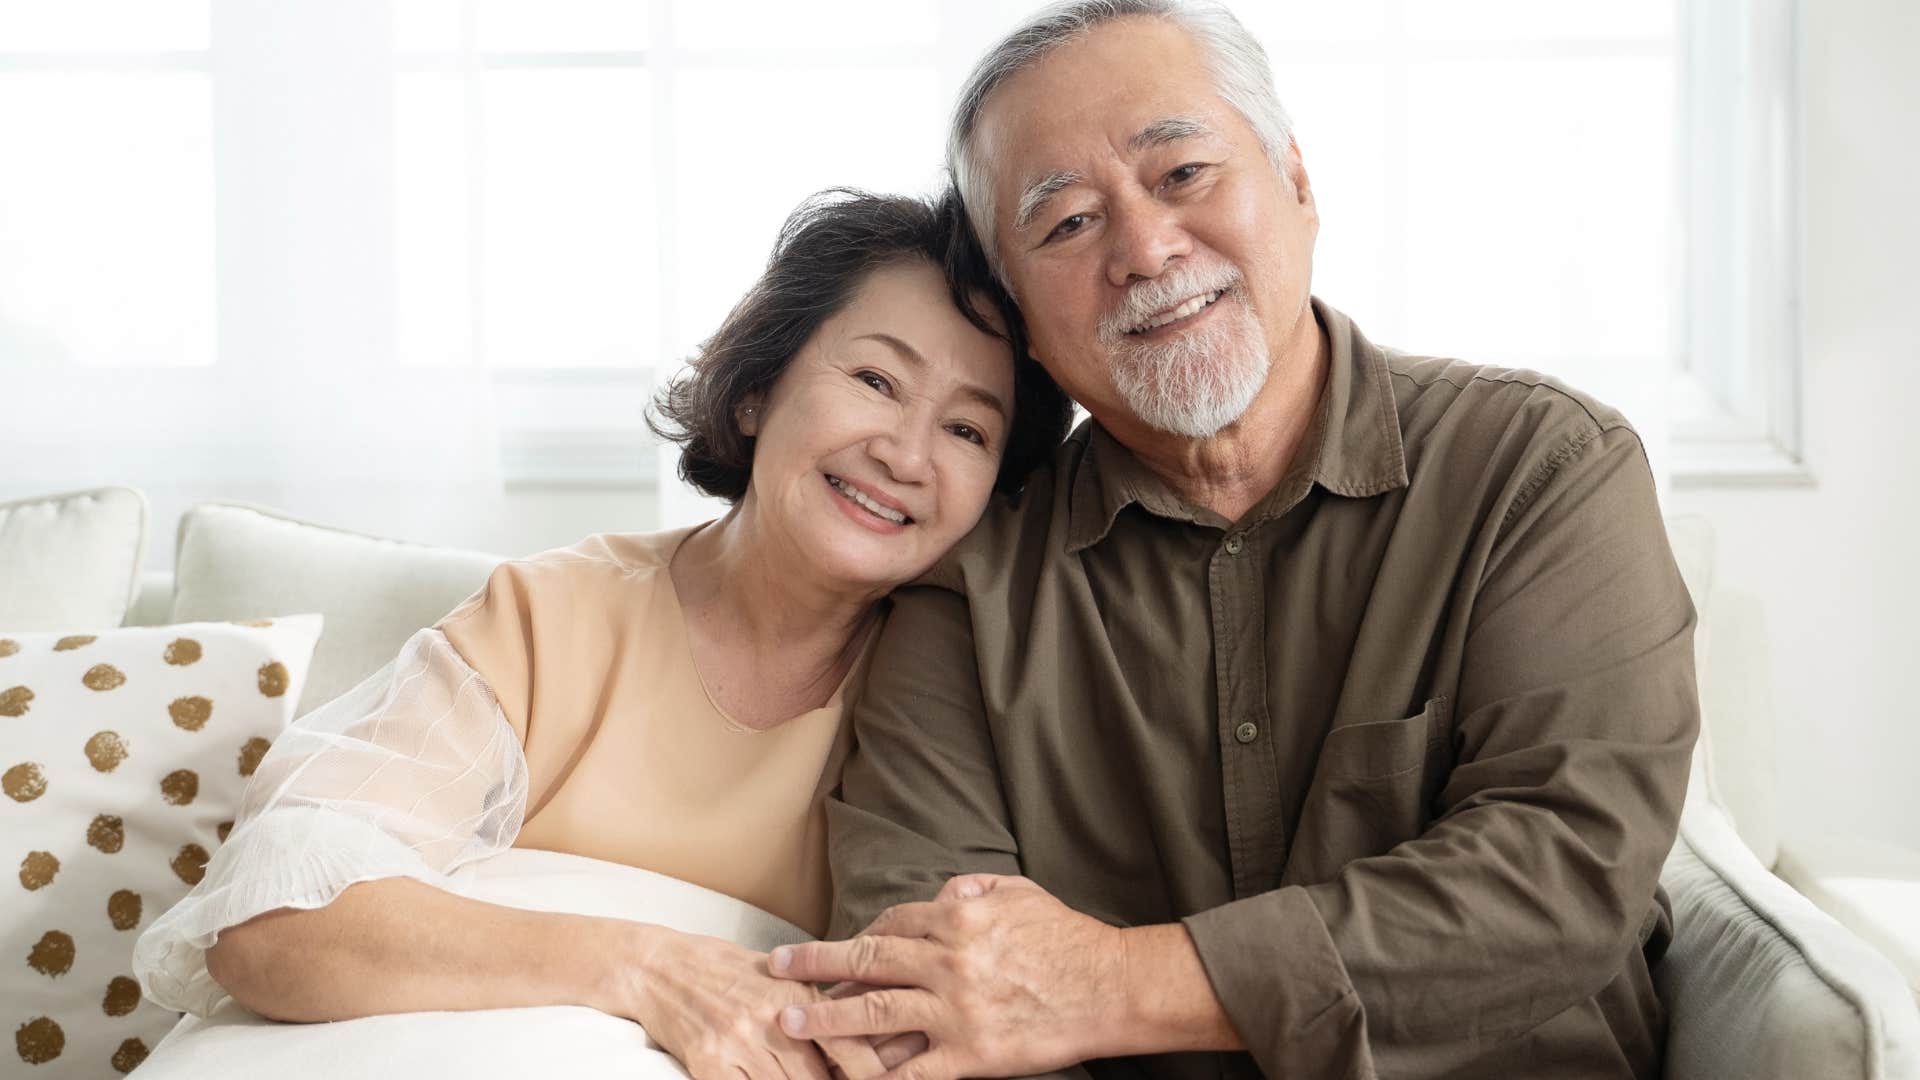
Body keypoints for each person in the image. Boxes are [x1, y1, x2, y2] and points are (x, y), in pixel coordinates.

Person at [767, 3, 1700, 1078]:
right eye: (1066, 223)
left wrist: (1108, 985)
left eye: (1182, 174)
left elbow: (1563, 875)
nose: (1146, 248)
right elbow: (920, 981)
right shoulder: (967, 584)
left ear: (1298, 184)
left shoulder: (1539, 469)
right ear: (1019, 314)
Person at [131, 188, 1073, 1080]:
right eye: (875, 379)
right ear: (756, 391)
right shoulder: (549, 619)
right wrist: (645, 969)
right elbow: (273, 918)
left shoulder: (974, 691)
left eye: (968, 432)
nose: (905, 455)